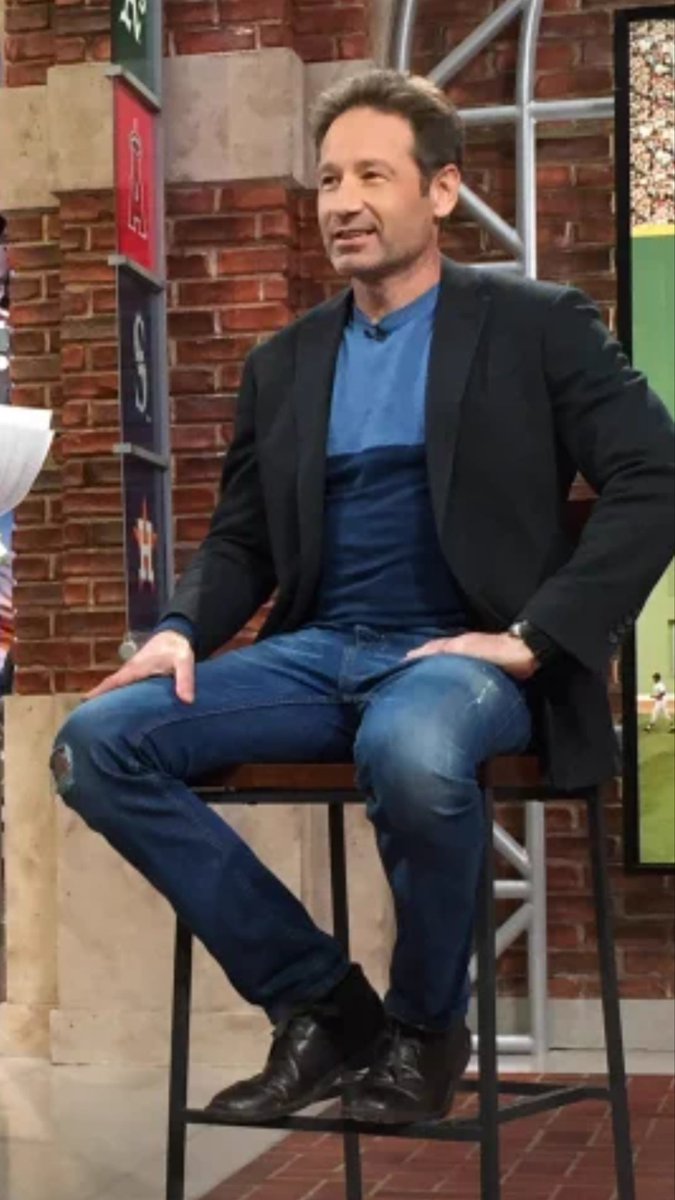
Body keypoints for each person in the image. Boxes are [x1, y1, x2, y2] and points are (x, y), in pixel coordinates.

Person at [50, 70, 675, 1126]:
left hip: (462, 658)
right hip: (319, 651)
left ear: (441, 191)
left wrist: (534, 637)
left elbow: (654, 475)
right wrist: (179, 629)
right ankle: (323, 1005)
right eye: (330, 179)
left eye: (372, 176)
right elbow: (244, 538)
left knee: (412, 749)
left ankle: (426, 1032)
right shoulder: (285, 361)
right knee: (96, 744)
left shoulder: (537, 324)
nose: (342, 201)